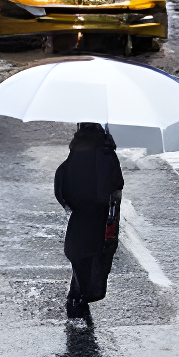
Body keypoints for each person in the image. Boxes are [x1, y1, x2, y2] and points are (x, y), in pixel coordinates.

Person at [53, 122, 123, 322]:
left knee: (79, 255)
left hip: (80, 215)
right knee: (97, 256)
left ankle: (76, 295)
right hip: (101, 217)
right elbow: (116, 185)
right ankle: (83, 294)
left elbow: (63, 187)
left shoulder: (75, 152)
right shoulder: (107, 154)